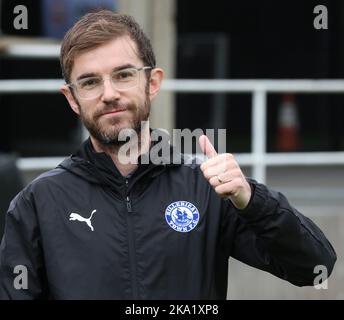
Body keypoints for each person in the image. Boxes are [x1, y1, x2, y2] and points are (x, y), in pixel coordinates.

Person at [0, 10, 336, 300]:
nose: (109, 94)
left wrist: (253, 199)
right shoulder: (38, 203)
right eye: (89, 82)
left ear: (153, 83)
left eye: (123, 75)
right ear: (72, 99)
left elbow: (314, 267)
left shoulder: (208, 188)